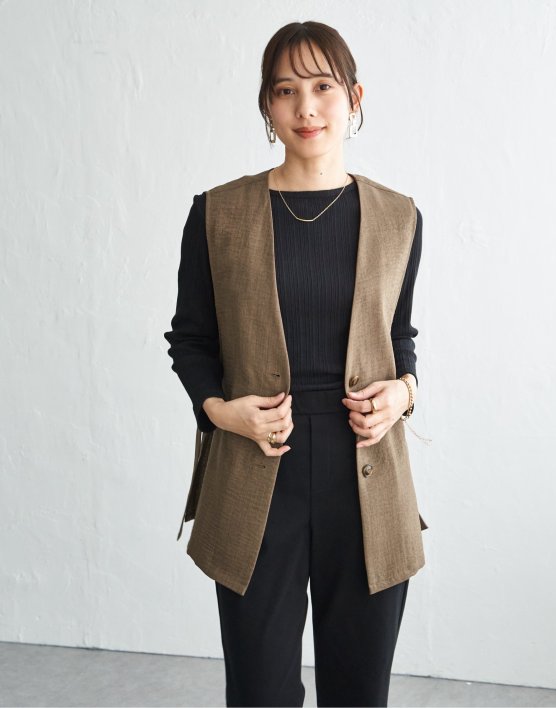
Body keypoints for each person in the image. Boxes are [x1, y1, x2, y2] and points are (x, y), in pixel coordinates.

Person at [164, 20, 425, 708]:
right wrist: (223, 413)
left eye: (322, 87)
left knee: (359, 691)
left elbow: (399, 335)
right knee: (259, 692)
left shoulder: (399, 216)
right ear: (267, 105)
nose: (306, 108)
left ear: (354, 96)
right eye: (285, 91)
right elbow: (190, 339)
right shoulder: (217, 214)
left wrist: (403, 393)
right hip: (257, 473)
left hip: (365, 478)